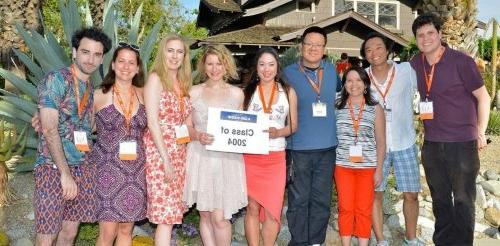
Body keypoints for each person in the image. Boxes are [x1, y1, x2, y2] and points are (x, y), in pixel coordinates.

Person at [409, 13, 491, 245]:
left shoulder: (461, 61)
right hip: (432, 144)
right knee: (440, 200)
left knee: (464, 201)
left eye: (430, 33)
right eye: (420, 35)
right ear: (416, 39)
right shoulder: (416, 63)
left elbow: (483, 98)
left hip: (462, 143)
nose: (426, 39)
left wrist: (481, 131)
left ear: (440, 35)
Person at [35, 27, 111, 246]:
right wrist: (65, 174)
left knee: (69, 233)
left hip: (82, 167)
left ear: (102, 58)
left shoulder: (89, 87)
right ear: (74, 52)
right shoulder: (56, 80)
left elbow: (88, 128)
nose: (91, 59)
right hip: (53, 168)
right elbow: (49, 129)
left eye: (97, 54)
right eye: (86, 52)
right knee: (47, 235)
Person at [360, 32, 424, 246]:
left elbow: (428, 84)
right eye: (368, 49)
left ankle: (411, 239)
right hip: (375, 146)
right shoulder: (361, 77)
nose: (374, 52)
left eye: (378, 47)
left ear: (387, 50)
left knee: (411, 194)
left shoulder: (406, 70)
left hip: (404, 142)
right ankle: (380, 240)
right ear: (364, 55)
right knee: (375, 195)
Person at [183, 45, 248, 246]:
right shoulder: (193, 92)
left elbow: (242, 130)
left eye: (219, 63)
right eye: (210, 63)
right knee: (205, 215)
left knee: (220, 217)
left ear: (226, 65)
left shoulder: (237, 94)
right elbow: (186, 127)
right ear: (203, 66)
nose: (214, 68)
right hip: (200, 157)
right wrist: (197, 135)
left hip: (226, 160)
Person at [283, 26, 342, 245]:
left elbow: (340, 99)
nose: (313, 48)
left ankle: (316, 241)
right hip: (297, 148)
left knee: (321, 200)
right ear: (301, 46)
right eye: (309, 44)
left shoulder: (332, 71)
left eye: (318, 45)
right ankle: (298, 241)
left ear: (324, 49)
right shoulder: (287, 73)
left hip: (327, 148)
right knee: (298, 200)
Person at [242, 47, 298, 246]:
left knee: (274, 212)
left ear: (277, 67)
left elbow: (293, 125)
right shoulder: (246, 93)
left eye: (271, 64)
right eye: (262, 64)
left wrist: (278, 132)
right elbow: (237, 123)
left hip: (275, 158)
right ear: (256, 68)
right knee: (252, 208)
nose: (267, 69)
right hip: (251, 158)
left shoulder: (288, 92)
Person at [93, 43, 147, 245]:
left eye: (131, 62)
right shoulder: (99, 95)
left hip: (136, 171)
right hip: (107, 172)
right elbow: (80, 126)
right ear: (113, 65)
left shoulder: (144, 94)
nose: (126, 66)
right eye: (121, 61)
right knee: (107, 232)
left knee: (126, 230)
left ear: (138, 68)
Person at [143, 34, 193, 245]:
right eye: (170, 50)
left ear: (184, 56)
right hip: (160, 152)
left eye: (179, 51)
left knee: (171, 214)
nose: (174, 56)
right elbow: (152, 122)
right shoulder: (155, 78)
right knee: (165, 215)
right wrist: (165, 159)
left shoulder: (183, 82)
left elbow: (187, 122)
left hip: (179, 152)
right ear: (162, 52)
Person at [334, 67, 385, 246]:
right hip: (342, 166)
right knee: (346, 208)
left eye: (358, 80)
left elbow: (381, 142)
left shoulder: (375, 107)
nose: (353, 84)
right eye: (349, 80)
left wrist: (379, 170)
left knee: (364, 209)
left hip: (367, 167)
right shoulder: (337, 104)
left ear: (365, 84)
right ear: (344, 84)